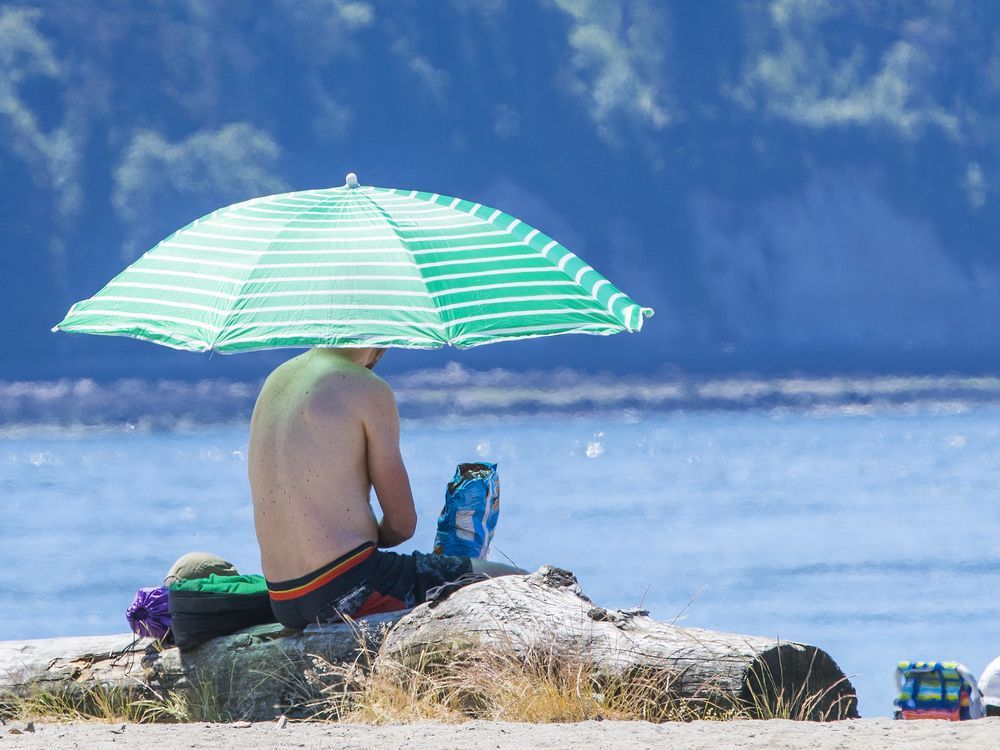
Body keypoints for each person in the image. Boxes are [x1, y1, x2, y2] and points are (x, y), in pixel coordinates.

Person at [248, 346, 522, 628]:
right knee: (520, 585)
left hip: (283, 599)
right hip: (348, 590)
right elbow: (402, 525)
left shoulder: (277, 379)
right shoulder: (365, 387)